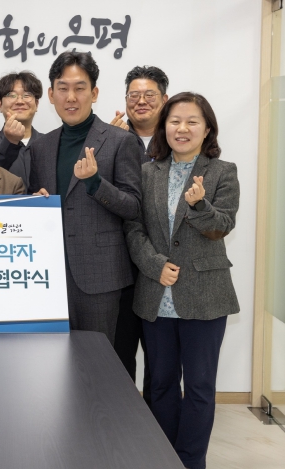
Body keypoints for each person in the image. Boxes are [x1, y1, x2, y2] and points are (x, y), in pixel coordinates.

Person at [125, 92, 239, 469]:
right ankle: (162, 458)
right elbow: (133, 228)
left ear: (207, 129)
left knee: (200, 388)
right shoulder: (146, 172)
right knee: (160, 384)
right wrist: (153, 264)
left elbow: (222, 226)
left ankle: (190, 462)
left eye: (192, 121)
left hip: (206, 297)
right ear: (164, 127)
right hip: (156, 294)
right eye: (175, 121)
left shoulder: (223, 171)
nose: (182, 128)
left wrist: (200, 205)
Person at [29, 51, 142, 344]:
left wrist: (95, 182)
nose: (71, 97)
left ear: (94, 93)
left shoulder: (121, 141)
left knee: (97, 360)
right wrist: (35, 202)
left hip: (99, 276)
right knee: (53, 359)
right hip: (49, 277)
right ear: (51, 95)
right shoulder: (41, 147)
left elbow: (133, 206)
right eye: (63, 88)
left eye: (80, 88)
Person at [111, 65, 170, 405]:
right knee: (119, 358)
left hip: (162, 268)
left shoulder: (178, 139)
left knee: (161, 365)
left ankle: (156, 427)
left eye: (149, 95)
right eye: (134, 95)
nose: (141, 101)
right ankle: (123, 424)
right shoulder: (109, 137)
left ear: (164, 98)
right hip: (120, 269)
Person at [0, 71, 44, 190]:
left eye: (27, 95)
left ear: (36, 104)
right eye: (12, 95)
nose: (20, 101)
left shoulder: (50, 143)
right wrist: (9, 142)